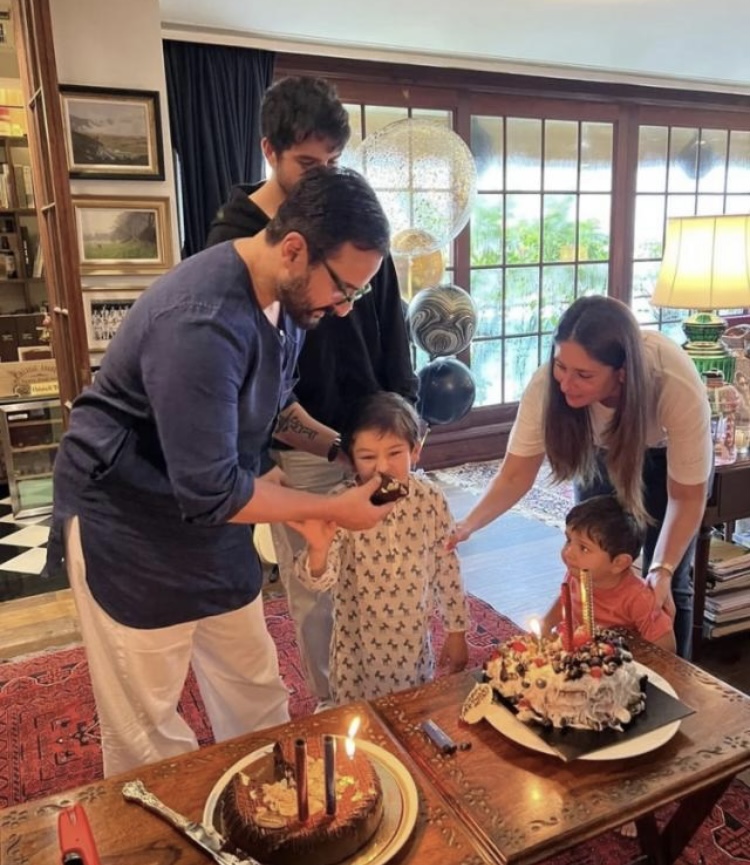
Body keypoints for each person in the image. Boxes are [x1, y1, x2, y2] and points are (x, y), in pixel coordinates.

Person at [49, 165, 396, 776]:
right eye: (344, 288)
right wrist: (327, 508)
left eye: (357, 295)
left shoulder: (285, 300)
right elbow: (210, 491)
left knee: (254, 690)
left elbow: (274, 406)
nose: (344, 309)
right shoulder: (200, 321)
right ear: (294, 249)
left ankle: (273, 804)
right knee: (149, 733)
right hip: (129, 524)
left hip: (214, 515)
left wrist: (340, 451)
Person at [206, 76, 417, 708]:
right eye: (307, 163)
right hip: (302, 445)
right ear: (269, 151)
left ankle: (393, 693)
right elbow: (254, 393)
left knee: (388, 573)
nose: (321, 176)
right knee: (317, 583)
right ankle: (332, 703)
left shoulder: (353, 224)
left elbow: (393, 330)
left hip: (376, 431)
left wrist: (406, 425)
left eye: (333, 162)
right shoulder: (238, 244)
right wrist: (330, 448)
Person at [448, 295, 712, 659]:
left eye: (584, 375)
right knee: (589, 564)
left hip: (665, 457)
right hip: (599, 452)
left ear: (621, 373)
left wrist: (662, 569)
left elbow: (686, 497)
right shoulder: (547, 386)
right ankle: (592, 666)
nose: (566, 383)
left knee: (666, 584)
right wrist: (467, 526)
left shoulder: (671, 380)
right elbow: (514, 475)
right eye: (561, 366)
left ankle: (676, 681)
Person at [287, 392, 469, 705]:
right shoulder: (341, 503)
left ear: (415, 450)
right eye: (368, 457)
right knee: (360, 723)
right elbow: (317, 582)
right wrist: (318, 550)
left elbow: (447, 567)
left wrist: (457, 630)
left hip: (413, 648)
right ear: (351, 458)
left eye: (395, 452)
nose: (382, 467)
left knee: (413, 713)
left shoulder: (431, 499)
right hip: (356, 653)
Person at [542, 495, 676, 652]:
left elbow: (667, 647)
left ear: (619, 563)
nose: (568, 552)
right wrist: (546, 625)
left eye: (584, 548)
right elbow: (566, 601)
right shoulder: (576, 573)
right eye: (568, 540)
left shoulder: (639, 598)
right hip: (577, 653)